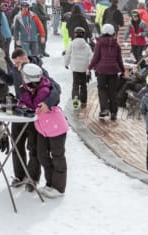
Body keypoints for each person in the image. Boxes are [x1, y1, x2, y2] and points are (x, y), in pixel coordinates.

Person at [19, 63, 66, 198]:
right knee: (42, 155)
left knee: (57, 156)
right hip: (43, 128)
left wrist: (24, 92)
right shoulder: (34, 88)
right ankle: (50, 184)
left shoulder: (43, 90)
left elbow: (34, 107)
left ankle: (59, 188)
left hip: (56, 128)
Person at [88, 23, 124, 120]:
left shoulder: (99, 44)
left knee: (102, 89)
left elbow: (95, 57)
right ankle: (114, 112)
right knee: (113, 91)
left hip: (102, 70)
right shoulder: (116, 45)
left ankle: (104, 109)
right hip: (114, 70)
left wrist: (90, 67)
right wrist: (122, 70)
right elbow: (119, 59)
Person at [63, 26, 93, 109]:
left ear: (75, 34)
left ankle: (75, 96)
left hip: (75, 68)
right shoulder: (86, 46)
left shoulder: (72, 44)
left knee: (75, 84)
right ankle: (83, 101)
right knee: (83, 85)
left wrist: (66, 63)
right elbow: (91, 56)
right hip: (84, 68)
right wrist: (90, 66)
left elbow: (68, 54)